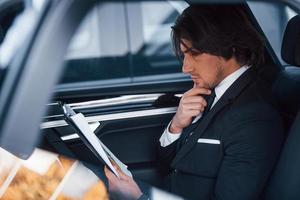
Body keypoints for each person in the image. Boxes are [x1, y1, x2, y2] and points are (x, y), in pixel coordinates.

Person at [104, 4, 284, 200]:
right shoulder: (209, 92)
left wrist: (138, 198)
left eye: (194, 53)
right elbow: (170, 166)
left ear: (229, 46)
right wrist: (177, 125)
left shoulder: (254, 118)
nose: (185, 67)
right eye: (184, 55)